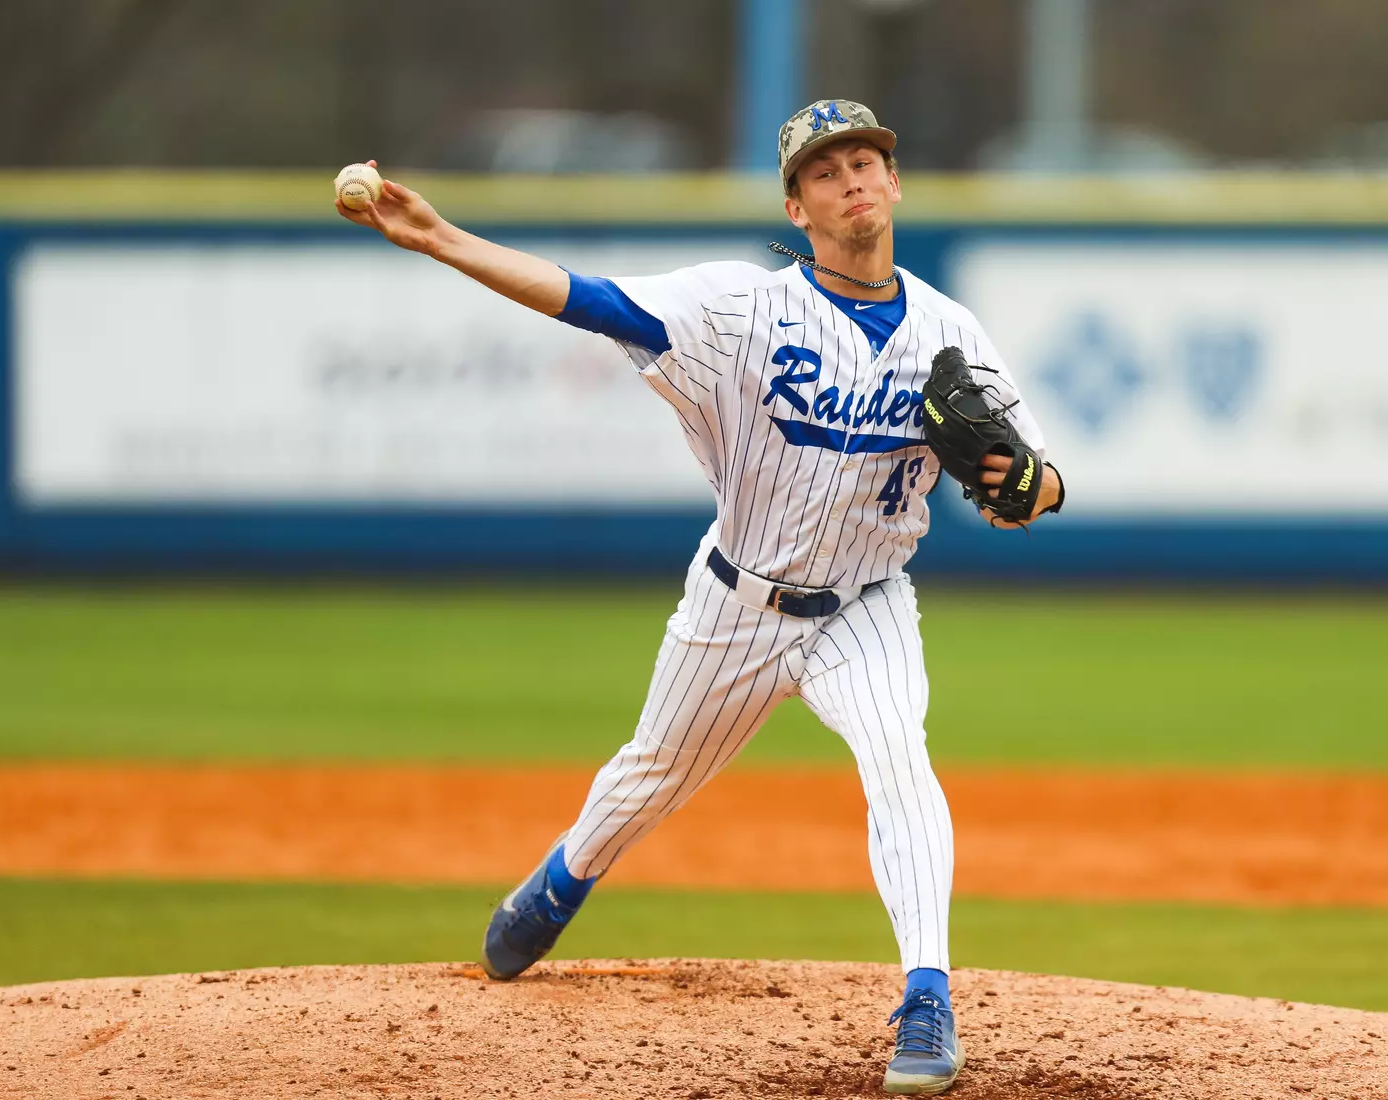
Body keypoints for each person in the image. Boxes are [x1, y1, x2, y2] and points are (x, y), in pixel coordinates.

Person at [336, 98, 1062, 1096]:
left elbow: (1034, 480)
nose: (852, 179)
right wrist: (441, 238)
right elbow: (583, 297)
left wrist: (1025, 482)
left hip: (868, 603)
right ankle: (562, 875)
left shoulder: (949, 331)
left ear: (894, 184)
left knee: (900, 756)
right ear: (797, 205)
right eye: (826, 170)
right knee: (648, 778)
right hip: (737, 605)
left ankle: (927, 998)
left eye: (867, 162)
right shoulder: (738, 309)